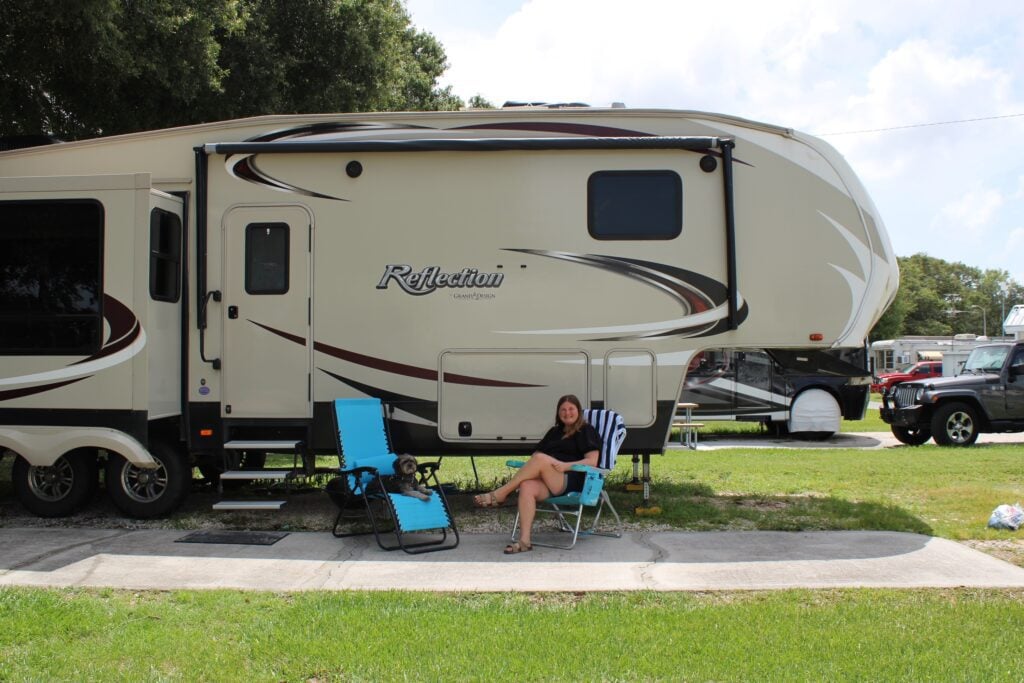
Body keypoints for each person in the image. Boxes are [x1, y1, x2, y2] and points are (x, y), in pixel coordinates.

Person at [473, 394, 601, 554]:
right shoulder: (554, 432)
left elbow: (593, 461)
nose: (567, 413)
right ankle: (525, 541)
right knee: (527, 486)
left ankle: (501, 493)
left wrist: (565, 465)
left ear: (578, 411)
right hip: (550, 479)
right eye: (563, 409)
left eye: (571, 409)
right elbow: (536, 458)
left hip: (571, 478)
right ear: (558, 413)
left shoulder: (586, 430)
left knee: (540, 458)